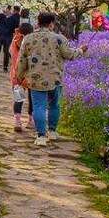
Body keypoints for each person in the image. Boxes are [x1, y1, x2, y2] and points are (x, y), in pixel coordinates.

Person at [16, 12, 87, 147]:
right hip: (55, 78)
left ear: (38, 23)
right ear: (51, 24)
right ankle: (52, 131)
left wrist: (19, 77)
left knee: (39, 106)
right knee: (54, 105)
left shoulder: (28, 39)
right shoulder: (59, 38)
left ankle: (41, 136)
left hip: (36, 78)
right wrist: (81, 50)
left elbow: (21, 60)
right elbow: (69, 54)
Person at [9, 23, 33, 132]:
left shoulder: (14, 41)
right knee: (32, 98)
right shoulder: (31, 42)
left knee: (18, 98)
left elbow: (10, 54)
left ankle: (17, 121)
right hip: (30, 75)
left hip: (16, 75)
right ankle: (30, 121)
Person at [0, 6, 20, 72]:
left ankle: (5, 67)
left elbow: (17, 26)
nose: (8, 11)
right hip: (0, 35)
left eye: (10, 10)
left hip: (8, 36)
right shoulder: (1, 15)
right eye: (7, 9)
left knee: (6, 52)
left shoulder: (15, 17)